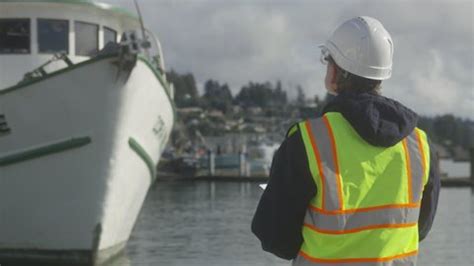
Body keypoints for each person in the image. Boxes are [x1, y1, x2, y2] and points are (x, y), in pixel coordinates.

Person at [251, 16, 440, 265]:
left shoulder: (307, 142)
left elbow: (275, 237)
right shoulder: (420, 145)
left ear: (336, 71)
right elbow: (421, 228)